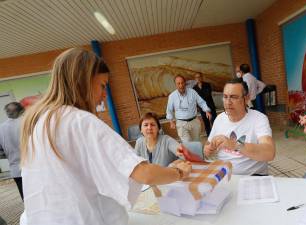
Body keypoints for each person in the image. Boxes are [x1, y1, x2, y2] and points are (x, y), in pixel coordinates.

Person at [19, 48, 192, 225]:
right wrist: (179, 173)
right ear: (84, 81)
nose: (104, 96)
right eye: (102, 85)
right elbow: (144, 174)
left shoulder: (40, 123)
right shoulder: (81, 122)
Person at [203, 78, 275, 175]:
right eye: (225, 97)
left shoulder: (258, 119)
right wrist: (208, 149)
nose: (228, 102)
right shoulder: (219, 119)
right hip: (224, 175)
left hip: (252, 177)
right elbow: (208, 144)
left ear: (246, 98)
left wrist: (234, 145)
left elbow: (269, 152)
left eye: (233, 97)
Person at [166, 75, 212, 142]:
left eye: (182, 83)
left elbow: (201, 102)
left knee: (196, 141)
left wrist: (207, 110)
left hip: (194, 121)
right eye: (178, 83)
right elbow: (169, 110)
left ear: (185, 83)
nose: (181, 85)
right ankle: (189, 151)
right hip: (181, 124)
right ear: (175, 85)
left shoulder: (192, 92)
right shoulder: (172, 96)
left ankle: (196, 152)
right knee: (187, 142)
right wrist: (171, 121)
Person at [0, 102, 24, 200]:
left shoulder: (1, 128)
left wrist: (10, 154)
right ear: (21, 110)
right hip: (32, 168)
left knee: (25, 198)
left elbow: (1, 152)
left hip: (15, 170)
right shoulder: (26, 122)